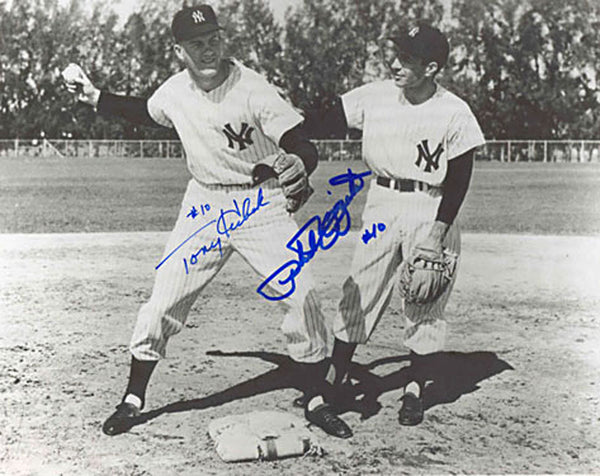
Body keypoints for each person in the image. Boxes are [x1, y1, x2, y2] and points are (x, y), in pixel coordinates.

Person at [63, 5, 351, 439]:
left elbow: (299, 143)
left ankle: (315, 398)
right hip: (203, 203)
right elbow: (146, 111)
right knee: (164, 300)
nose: (208, 49)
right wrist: (93, 96)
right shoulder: (175, 90)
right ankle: (133, 398)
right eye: (197, 43)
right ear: (179, 50)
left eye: (214, 38)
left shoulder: (252, 88)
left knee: (303, 295)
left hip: (261, 204)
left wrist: (300, 162)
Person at [302, 24, 486, 427]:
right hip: (382, 201)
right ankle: (335, 376)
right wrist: (281, 119)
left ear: (432, 67)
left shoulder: (454, 111)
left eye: (407, 59)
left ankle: (415, 387)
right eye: (397, 55)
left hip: (431, 205)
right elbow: (323, 120)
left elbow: (459, 179)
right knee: (360, 287)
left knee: (424, 295)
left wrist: (438, 234)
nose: (396, 65)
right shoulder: (376, 95)